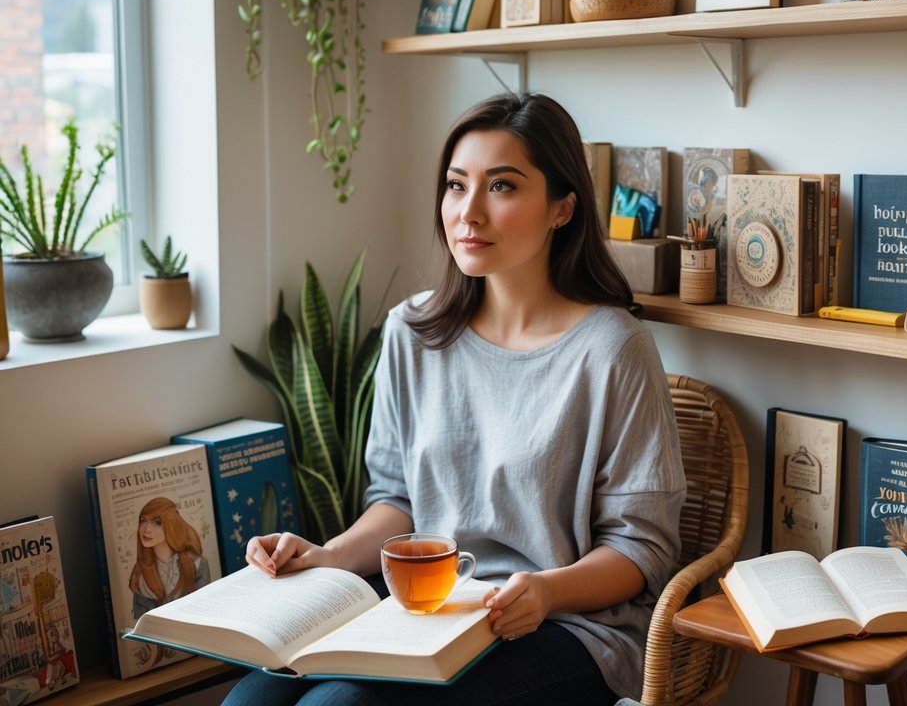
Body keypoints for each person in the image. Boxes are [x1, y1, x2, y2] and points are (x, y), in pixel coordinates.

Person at [223, 92, 686, 706]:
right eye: (455, 185)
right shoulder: (411, 332)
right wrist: (329, 556)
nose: (468, 213)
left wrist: (546, 590)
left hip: (562, 627)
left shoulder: (613, 350)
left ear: (561, 209)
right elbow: (398, 501)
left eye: (501, 187)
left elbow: (643, 550)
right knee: (251, 701)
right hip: (427, 613)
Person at [129, 496, 212, 621]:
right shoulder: (141, 572)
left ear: (171, 525)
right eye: (143, 521)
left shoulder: (198, 564)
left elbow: (205, 610)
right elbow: (142, 622)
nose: (146, 529)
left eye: (157, 522)